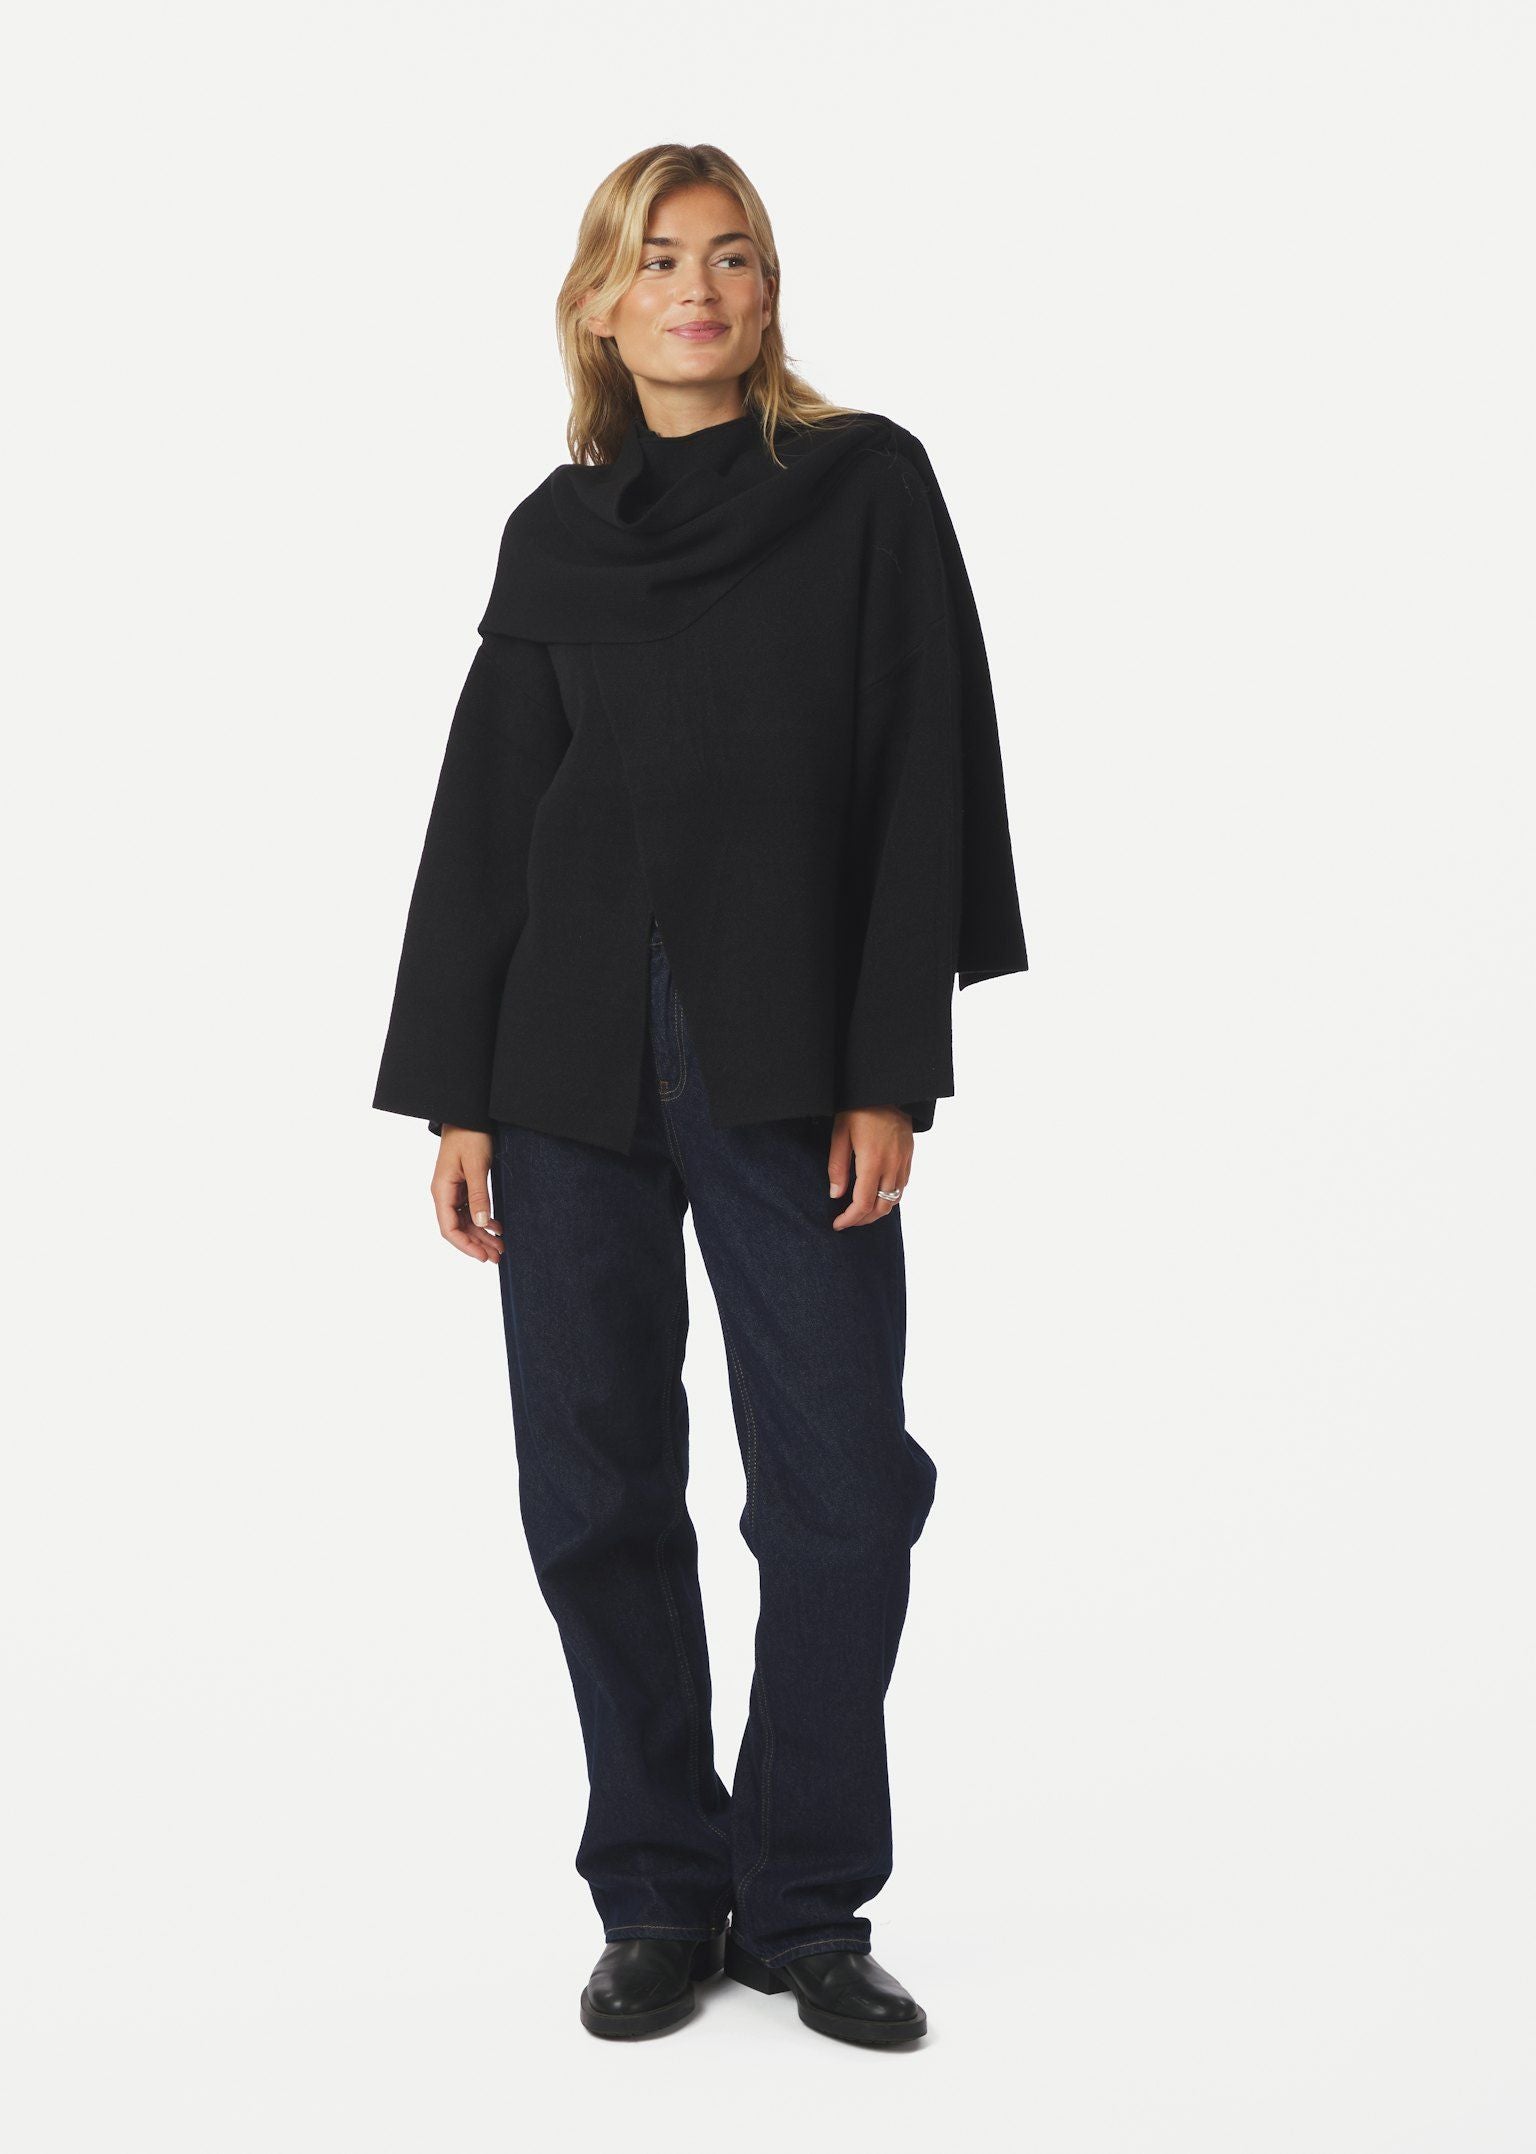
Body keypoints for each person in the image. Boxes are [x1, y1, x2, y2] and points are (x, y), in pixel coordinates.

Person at [372, 142, 1028, 2048]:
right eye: (657, 259)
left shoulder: (862, 486)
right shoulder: (554, 533)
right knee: (594, 1488)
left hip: (786, 1051)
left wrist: (891, 1068)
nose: (698, 287)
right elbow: (490, 810)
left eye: (732, 255)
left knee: (843, 1489)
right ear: (599, 303)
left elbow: (918, 767)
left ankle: (806, 1902)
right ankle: (659, 1889)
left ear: (767, 289)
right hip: (562, 1057)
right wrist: (459, 1097)